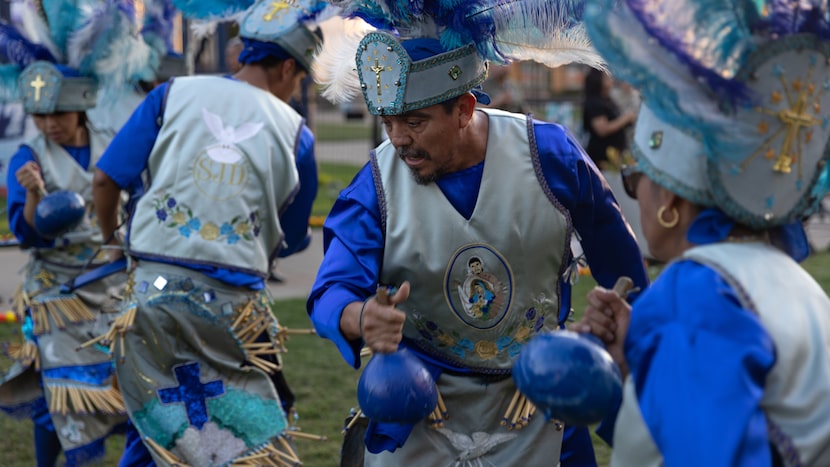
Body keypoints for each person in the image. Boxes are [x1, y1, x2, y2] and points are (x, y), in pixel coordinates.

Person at [308, 4, 649, 465]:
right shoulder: (375, 185)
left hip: (536, 402)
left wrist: (606, 330)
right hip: (420, 408)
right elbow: (332, 289)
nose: (399, 139)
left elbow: (623, 269)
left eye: (415, 121)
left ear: (465, 109)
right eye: (389, 123)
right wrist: (361, 316)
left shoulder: (550, 158)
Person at [574, 1, 830, 464]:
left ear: (671, 201)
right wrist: (638, 363)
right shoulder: (794, 282)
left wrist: (665, 325)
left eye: (636, 178)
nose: (635, 194)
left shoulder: (691, 295)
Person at [91, 0, 324, 464]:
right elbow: (292, 238)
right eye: (299, 79)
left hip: (148, 299)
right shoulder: (296, 133)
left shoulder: (171, 94)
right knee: (253, 443)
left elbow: (105, 180)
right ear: (284, 68)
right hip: (232, 315)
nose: (295, 91)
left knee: (156, 417)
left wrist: (112, 243)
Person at [0, 61, 129, 467]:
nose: (49, 123)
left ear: (82, 107)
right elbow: (28, 233)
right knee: (55, 390)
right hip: (56, 294)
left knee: (121, 384)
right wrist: (36, 195)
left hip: (112, 285)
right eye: (39, 115)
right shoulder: (28, 157)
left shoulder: (114, 143)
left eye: (58, 113)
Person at [581, 68, 636, 170]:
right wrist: (625, 118)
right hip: (603, 159)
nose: (611, 80)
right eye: (606, 77)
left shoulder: (607, 99)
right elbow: (602, 130)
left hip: (616, 157)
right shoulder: (594, 103)